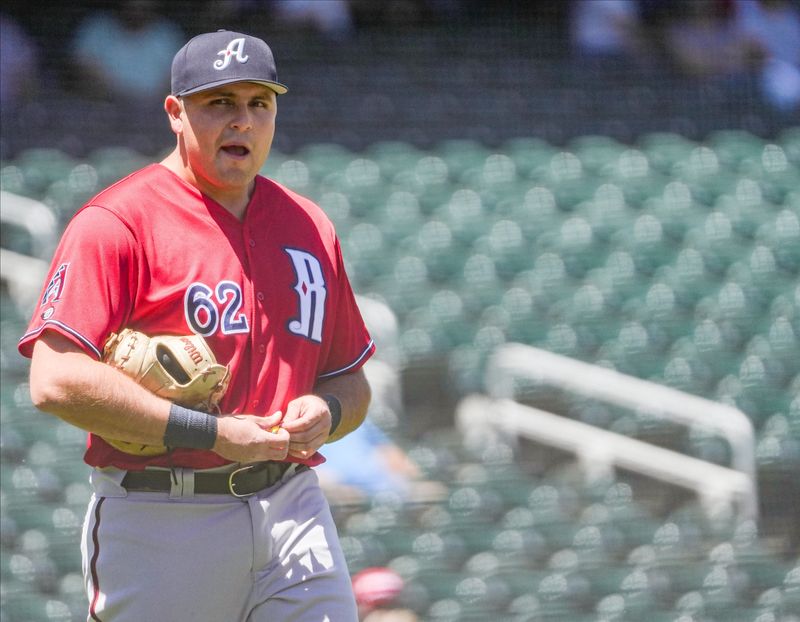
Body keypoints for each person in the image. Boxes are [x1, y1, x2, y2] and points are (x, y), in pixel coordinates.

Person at [19, 29, 375, 622]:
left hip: (293, 504)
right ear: (175, 113)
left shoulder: (310, 228)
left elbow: (351, 383)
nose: (242, 121)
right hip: (164, 517)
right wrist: (210, 433)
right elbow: (55, 380)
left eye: (258, 104)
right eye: (220, 103)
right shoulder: (117, 223)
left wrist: (328, 414)